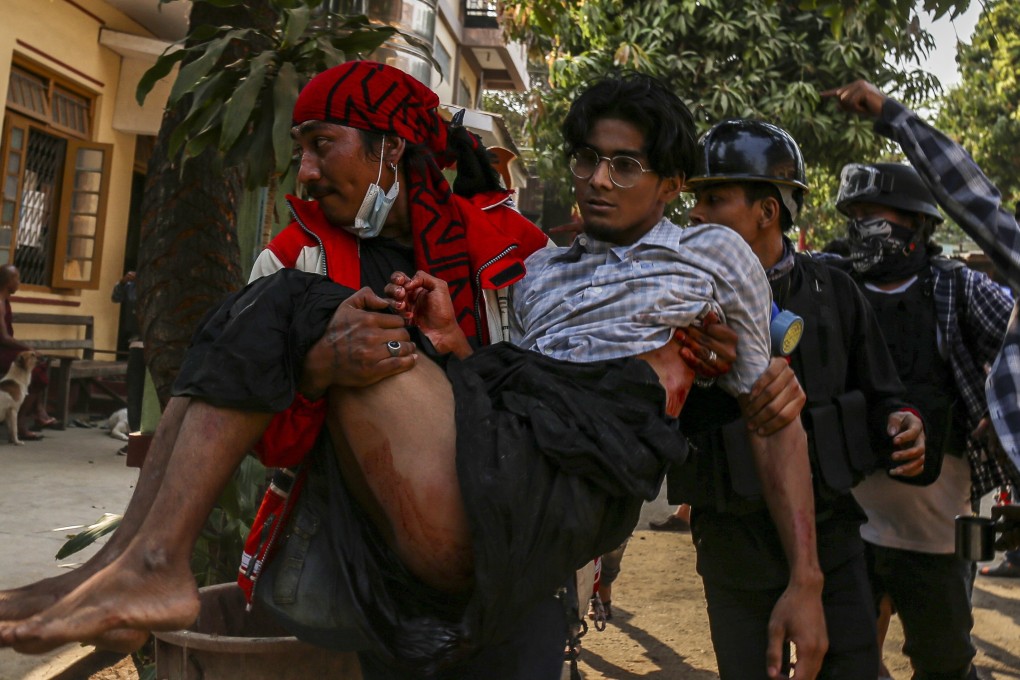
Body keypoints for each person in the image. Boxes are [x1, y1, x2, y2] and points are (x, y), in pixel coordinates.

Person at [0, 65, 807, 678]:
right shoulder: (533, 268)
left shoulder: (513, 247)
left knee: (301, 304)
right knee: (294, 303)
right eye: (589, 162)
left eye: (324, 147)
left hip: (519, 528)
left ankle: (145, 564)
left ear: (392, 149)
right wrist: (369, 360)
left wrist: (748, 383)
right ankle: (127, 562)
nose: (307, 173)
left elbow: (730, 405)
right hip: (381, 545)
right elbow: (490, 385)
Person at [674, 118, 926, 679]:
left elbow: (885, 393)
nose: (694, 215)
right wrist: (709, 375)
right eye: (695, 199)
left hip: (834, 542)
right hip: (732, 545)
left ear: (768, 212)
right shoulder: (675, 303)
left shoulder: (836, 293)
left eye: (713, 198)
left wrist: (904, 422)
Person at [821, 79, 1016, 680]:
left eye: (873, 219)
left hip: (935, 535)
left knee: (942, 661)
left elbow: (1011, 341)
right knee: (843, 660)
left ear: (916, 226)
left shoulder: (960, 290)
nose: (860, 230)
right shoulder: (829, 288)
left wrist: (996, 408)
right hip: (848, 521)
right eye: (852, 218)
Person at [0, 264, 57, 440]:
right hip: (1, 351)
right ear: (8, 281)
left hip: (6, 349)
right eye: (16, 278)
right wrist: (29, 349)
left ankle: (38, 411)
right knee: (37, 368)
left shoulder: (5, 300)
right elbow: (4, 338)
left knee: (40, 363)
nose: (19, 282)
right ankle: (21, 422)